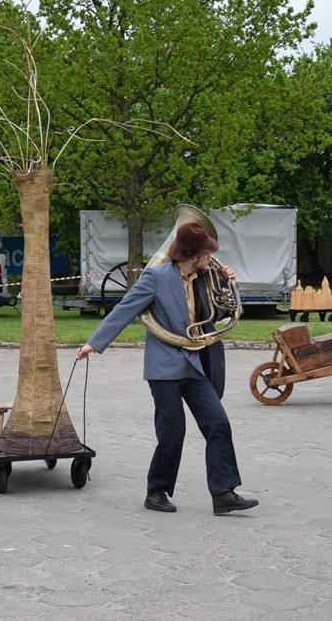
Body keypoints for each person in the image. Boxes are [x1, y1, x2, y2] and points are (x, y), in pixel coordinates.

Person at [77, 221, 258, 515]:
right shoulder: (156, 276)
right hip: (164, 366)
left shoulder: (206, 277)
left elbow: (217, 314)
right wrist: (93, 344)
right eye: (207, 253)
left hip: (195, 363)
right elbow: (125, 308)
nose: (211, 257)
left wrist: (226, 285)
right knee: (173, 432)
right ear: (193, 255)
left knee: (218, 423)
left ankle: (223, 493)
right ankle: (156, 491)